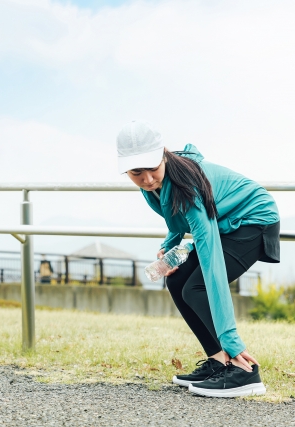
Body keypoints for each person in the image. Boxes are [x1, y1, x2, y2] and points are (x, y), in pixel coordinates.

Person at [116, 121, 280, 398]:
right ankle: (218, 361)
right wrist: (169, 245)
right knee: (177, 280)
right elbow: (175, 216)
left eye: (152, 168)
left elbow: (212, 264)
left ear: (164, 155)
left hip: (253, 222)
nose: (148, 179)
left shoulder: (186, 185)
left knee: (196, 287)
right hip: (224, 223)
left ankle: (245, 373)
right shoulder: (155, 185)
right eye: (136, 173)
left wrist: (231, 339)